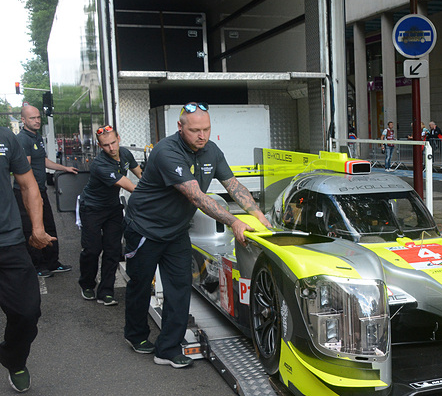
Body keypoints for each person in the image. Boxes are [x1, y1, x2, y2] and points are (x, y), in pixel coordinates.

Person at [123, 102, 273, 368]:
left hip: (177, 231)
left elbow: (233, 185)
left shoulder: (211, 151)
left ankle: (167, 349)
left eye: (206, 129)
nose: (202, 135)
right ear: (180, 127)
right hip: (145, 228)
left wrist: (257, 213)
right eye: (195, 130)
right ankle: (135, 335)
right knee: (140, 285)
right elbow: (198, 197)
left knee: (180, 288)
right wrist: (233, 221)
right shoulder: (166, 152)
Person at [0, 126, 56, 392]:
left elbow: (28, 183)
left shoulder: (5, 137)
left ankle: (14, 358)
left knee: (27, 312)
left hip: (9, 241)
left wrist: (37, 227)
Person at [78, 125, 142, 306]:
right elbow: (130, 186)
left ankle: (106, 291)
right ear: (100, 146)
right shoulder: (100, 165)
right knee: (92, 250)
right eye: (106, 145)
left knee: (113, 250)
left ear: (118, 138)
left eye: (113, 142)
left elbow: (141, 175)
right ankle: (87, 284)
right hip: (92, 208)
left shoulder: (125, 154)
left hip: (113, 208)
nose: (111, 148)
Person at [14, 104, 78, 278]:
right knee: (32, 228)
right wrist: (34, 196)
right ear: (23, 120)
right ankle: (38, 265)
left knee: (49, 226)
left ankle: (52, 263)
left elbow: (43, 160)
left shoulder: (37, 137)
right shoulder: (22, 140)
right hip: (27, 192)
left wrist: (64, 168)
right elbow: (25, 168)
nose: (37, 121)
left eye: (38, 117)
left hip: (39, 190)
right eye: (32, 118)